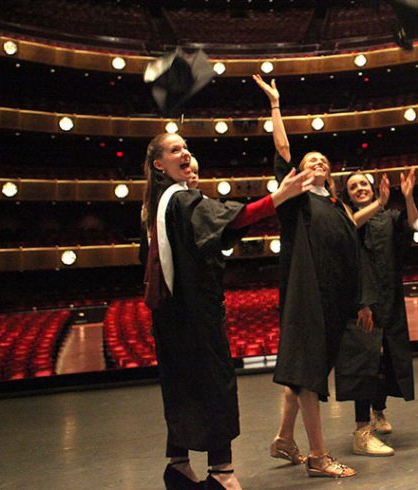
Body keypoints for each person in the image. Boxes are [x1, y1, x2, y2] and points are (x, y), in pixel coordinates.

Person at [141, 132, 313, 490]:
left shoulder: (155, 205)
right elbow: (231, 221)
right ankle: (222, 472)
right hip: (195, 317)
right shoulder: (183, 201)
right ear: (159, 164)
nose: (186, 154)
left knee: (182, 389)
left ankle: (178, 466)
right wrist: (280, 196)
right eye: (176, 150)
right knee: (214, 387)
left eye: (188, 148)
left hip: (170, 318)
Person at [253, 74, 375, 478]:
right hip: (307, 299)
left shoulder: (338, 207)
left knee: (305, 374)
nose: (318, 162)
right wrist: (275, 106)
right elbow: (284, 150)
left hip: (334, 301)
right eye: (311, 161)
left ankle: (285, 440)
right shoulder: (297, 201)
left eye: (323, 160)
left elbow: (353, 256)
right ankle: (319, 456)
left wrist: (361, 301)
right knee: (308, 377)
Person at [336, 168, 418, 456]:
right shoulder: (346, 219)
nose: (359, 188)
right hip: (362, 301)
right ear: (347, 195)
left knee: (387, 360)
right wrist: (380, 203)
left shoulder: (388, 217)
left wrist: (407, 197)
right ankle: (362, 429)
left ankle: (378, 410)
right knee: (364, 364)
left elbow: (412, 224)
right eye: (352, 187)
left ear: (372, 188)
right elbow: (349, 230)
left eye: (363, 183)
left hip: (390, 298)